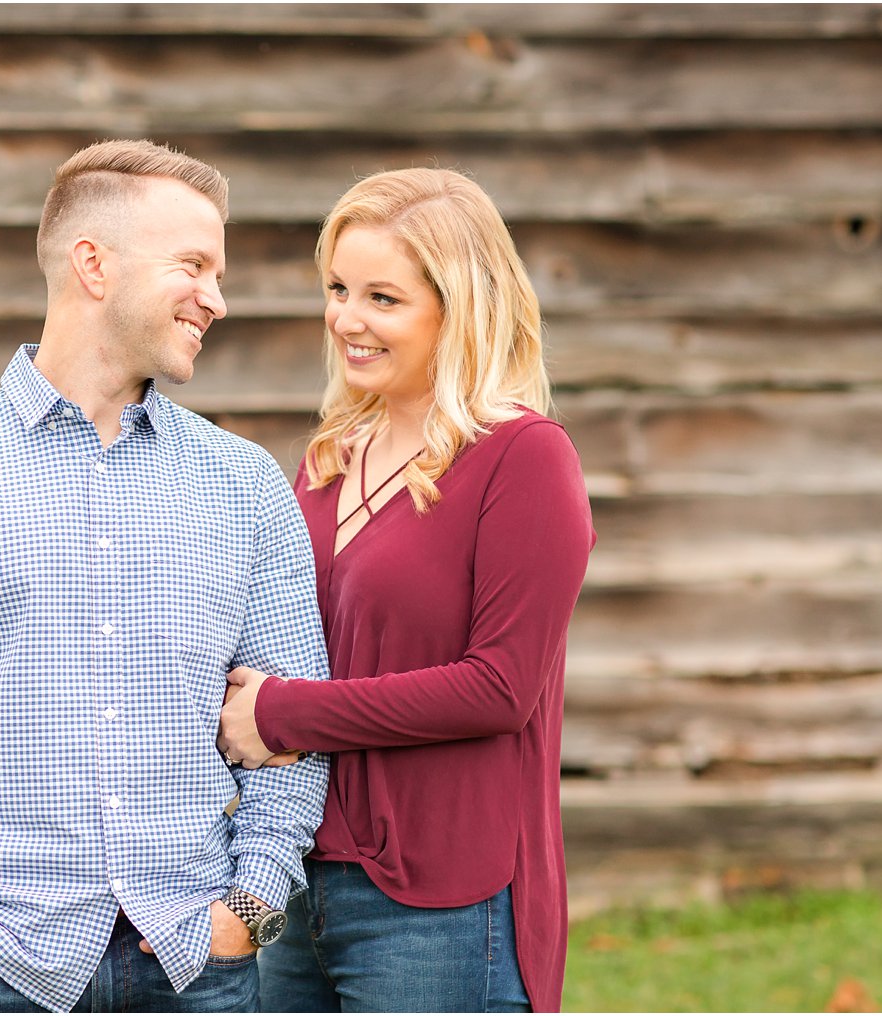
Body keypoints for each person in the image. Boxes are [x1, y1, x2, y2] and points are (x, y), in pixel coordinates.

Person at [0, 139, 331, 1014]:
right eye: (194, 265)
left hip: (195, 964)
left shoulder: (244, 484)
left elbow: (295, 709)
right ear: (94, 265)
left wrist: (250, 910)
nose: (217, 297)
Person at [216, 167, 595, 1013]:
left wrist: (282, 714)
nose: (347, 319)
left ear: (458, 310)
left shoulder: (524, 459)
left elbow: (500, 688)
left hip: (441, 899)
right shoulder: (327, 461)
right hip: (299, 879)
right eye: (338, 288)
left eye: (382, 298)